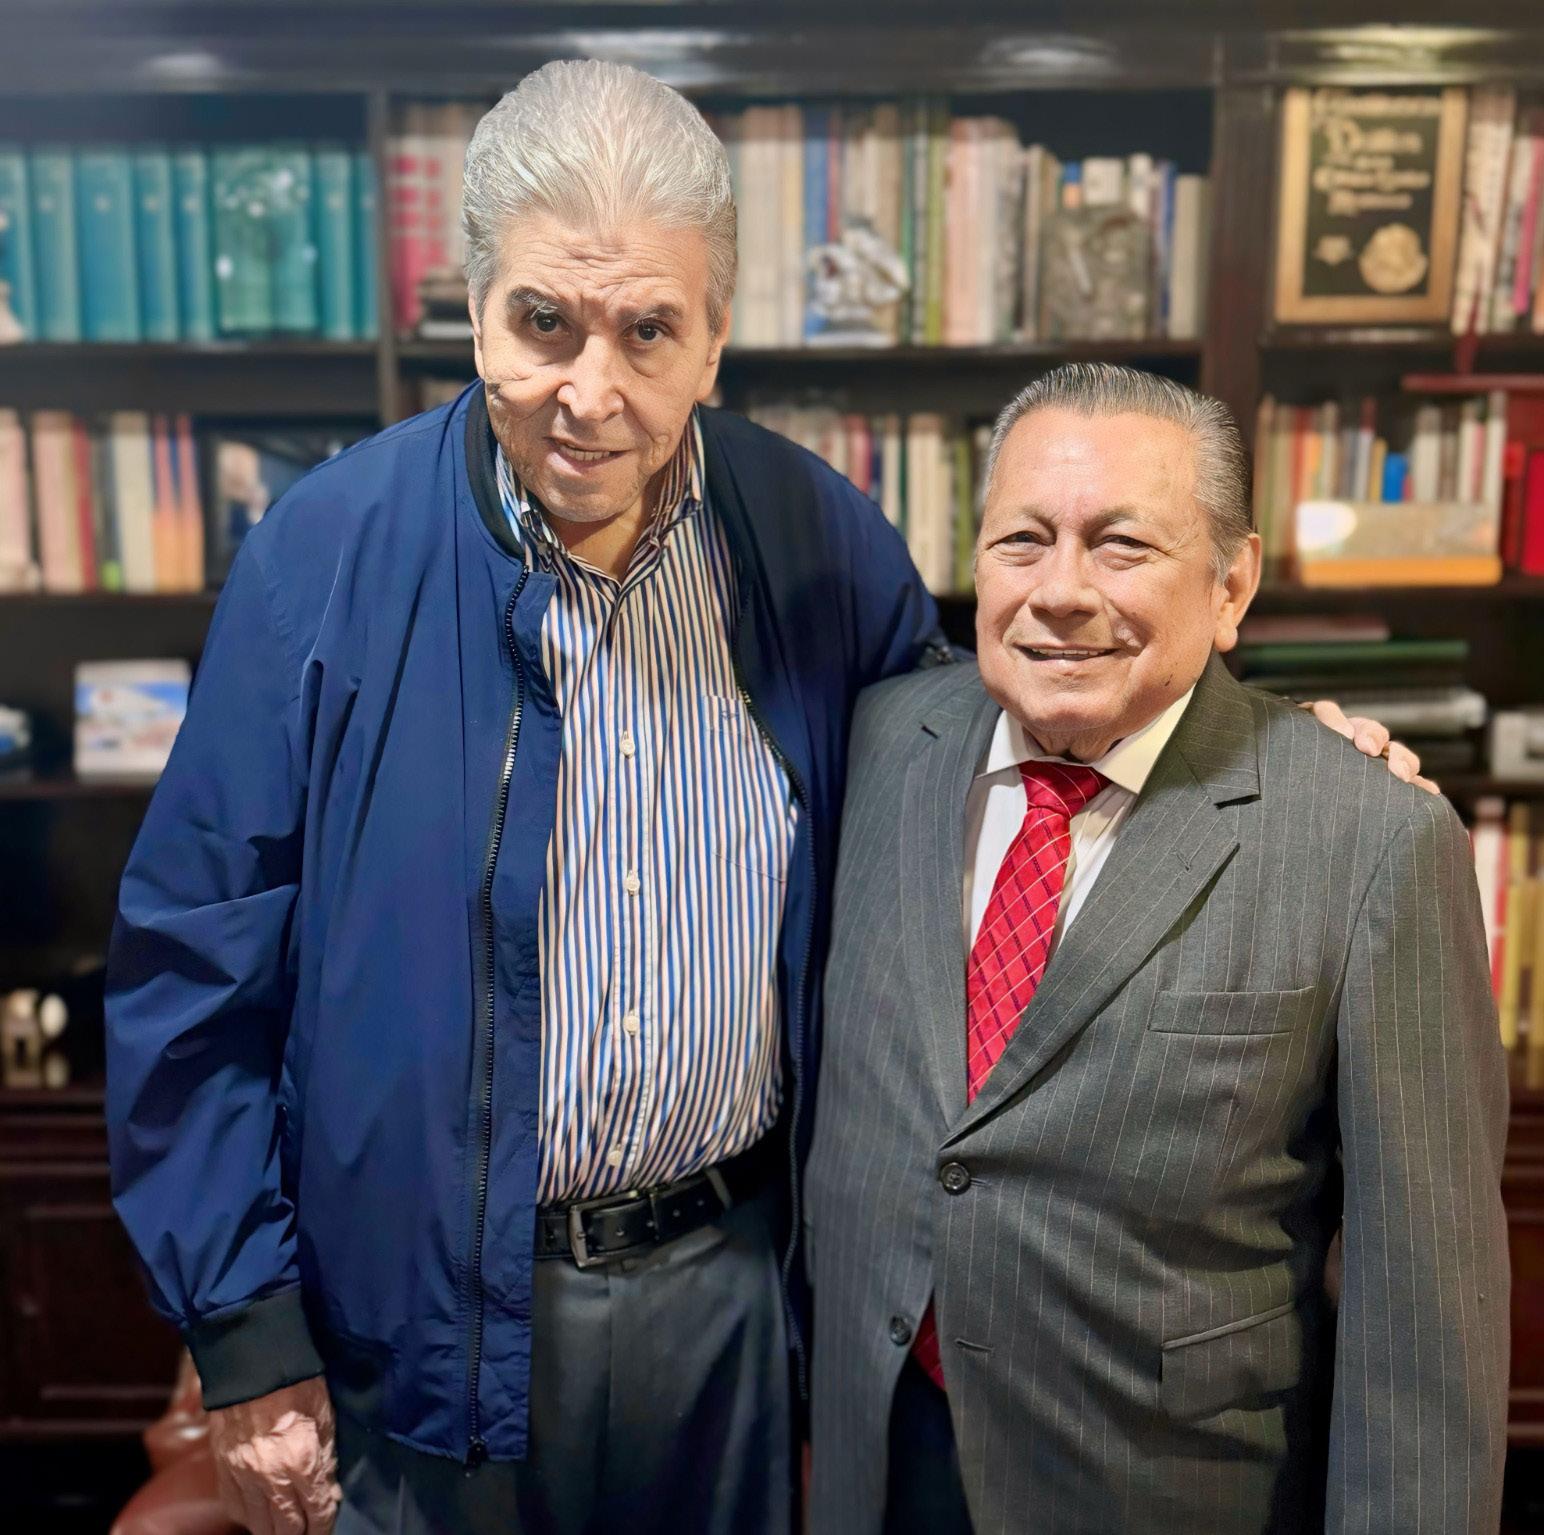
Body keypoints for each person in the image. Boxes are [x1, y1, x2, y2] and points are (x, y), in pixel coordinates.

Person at [105, 63, 1417, 1535]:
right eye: (543, 321)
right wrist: (247, 1332)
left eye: (646, 329)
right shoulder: (322, 557)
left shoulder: (814, 539)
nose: (590, 391)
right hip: (419, 1307)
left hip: (730, 1292)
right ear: (472, 309)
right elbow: (190, 965)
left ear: (715, 337)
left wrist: (1276, 755)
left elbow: (1007, 738)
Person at [805, 363, 1510, 1535]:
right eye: (1021, 540)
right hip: (878, 1463)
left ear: (1229, 584)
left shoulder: (1369, 837)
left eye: (1120, 544)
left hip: (1162, 1488)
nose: (1060, 592)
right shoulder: (879, 743)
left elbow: (1424, 1321)